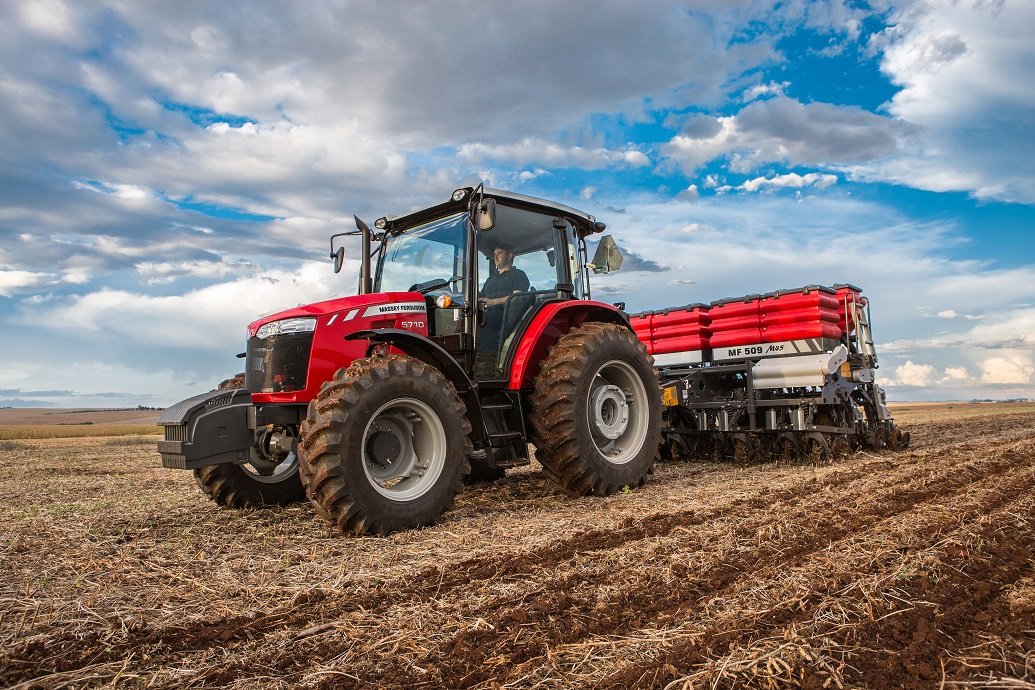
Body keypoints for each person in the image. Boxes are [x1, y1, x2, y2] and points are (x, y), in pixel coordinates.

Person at [475, 242, 530, 376]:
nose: (495, 257)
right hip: (486, 311)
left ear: (510, 255)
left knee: (483, 322)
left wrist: (493, 302)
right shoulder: (490, 279)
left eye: (499, 253)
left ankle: (485, 370)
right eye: (494, 254)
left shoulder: (518, 275)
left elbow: (517, 298)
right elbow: (481, 296)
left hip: (505, 316)